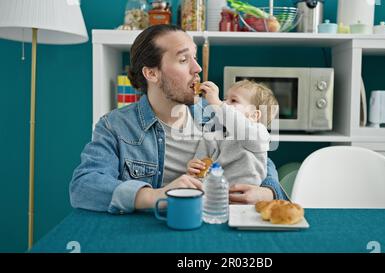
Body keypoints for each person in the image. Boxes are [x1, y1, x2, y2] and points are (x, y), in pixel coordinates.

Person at [69, 25, 287, 214]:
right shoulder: (115, 126)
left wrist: (268, 192)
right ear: (152, 74)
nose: (197, 68)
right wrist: (156, 196)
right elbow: (83, 186)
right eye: (184, 60)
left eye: (195, 57)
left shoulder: (217, 114)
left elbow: (258, 156)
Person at [187, 79, 279, 187]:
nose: (224, 103)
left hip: (247, 198)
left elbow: (240, 126)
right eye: (225, 99)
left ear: (254, 115)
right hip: (216, 195)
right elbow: (200, 171)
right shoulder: (212, 137)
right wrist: (194, 169)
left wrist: (217, 104)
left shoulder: (259, 133)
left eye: (234, 101)